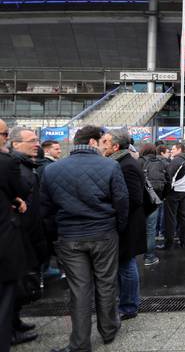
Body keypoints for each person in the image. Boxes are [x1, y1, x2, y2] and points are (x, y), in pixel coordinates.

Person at [41, 126, 129, 352]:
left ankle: (80, 342)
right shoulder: (110, 165)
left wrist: (55, 235)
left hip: (69, 236)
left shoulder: (52, 169)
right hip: (103, 233)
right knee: (106, 283)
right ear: (92, 142)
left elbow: (45, 208)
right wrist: (117, 228)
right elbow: (121, 202)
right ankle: (108, 329)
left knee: (79, 290)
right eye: (101, 142)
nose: (103, 146)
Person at [100, 129, 147, 321]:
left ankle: (129, 305)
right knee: (124, 264)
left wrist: (117, 213)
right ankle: (127, 302)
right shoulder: (120, 162)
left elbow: (135, 198)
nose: (103, 145)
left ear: (115, 146)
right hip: (126, 221)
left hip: (128, 224)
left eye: (106, 142)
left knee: (127, 264)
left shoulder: (126, 165)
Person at [8, 127, 48, 347]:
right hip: (20, 235)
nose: (37, 144)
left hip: (28, 233)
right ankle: (11, 329)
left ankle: (16, 321)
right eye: (32, 140)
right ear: (15, 144)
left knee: (20, 284)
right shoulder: (16, 169)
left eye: (37, 140)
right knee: (16, 284)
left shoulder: (26, 167)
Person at [0, 120, 31, 352]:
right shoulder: (6, 162)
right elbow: (20, 190)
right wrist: (16, 200)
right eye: (4, 134)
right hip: (5, 239)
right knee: (5, 297)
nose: (6, 138)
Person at [138, 144, 167, 266]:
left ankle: (135, 255)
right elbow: (167, 180)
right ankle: (149, 257)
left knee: (138, 228)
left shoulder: (139, 162)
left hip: (140, 200)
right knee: (151, 229)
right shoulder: (160, 162)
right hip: (155, 199)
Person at [162, 143, 185, 249]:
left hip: (174, 192)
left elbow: (170, 178)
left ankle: (168, 244)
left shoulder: (177, 161)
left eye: (173, 149)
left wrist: (165, 193)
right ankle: (184, 241)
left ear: (179, 150)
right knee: (183, 217)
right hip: (183, 191)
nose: (171, 150)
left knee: (170, 218)